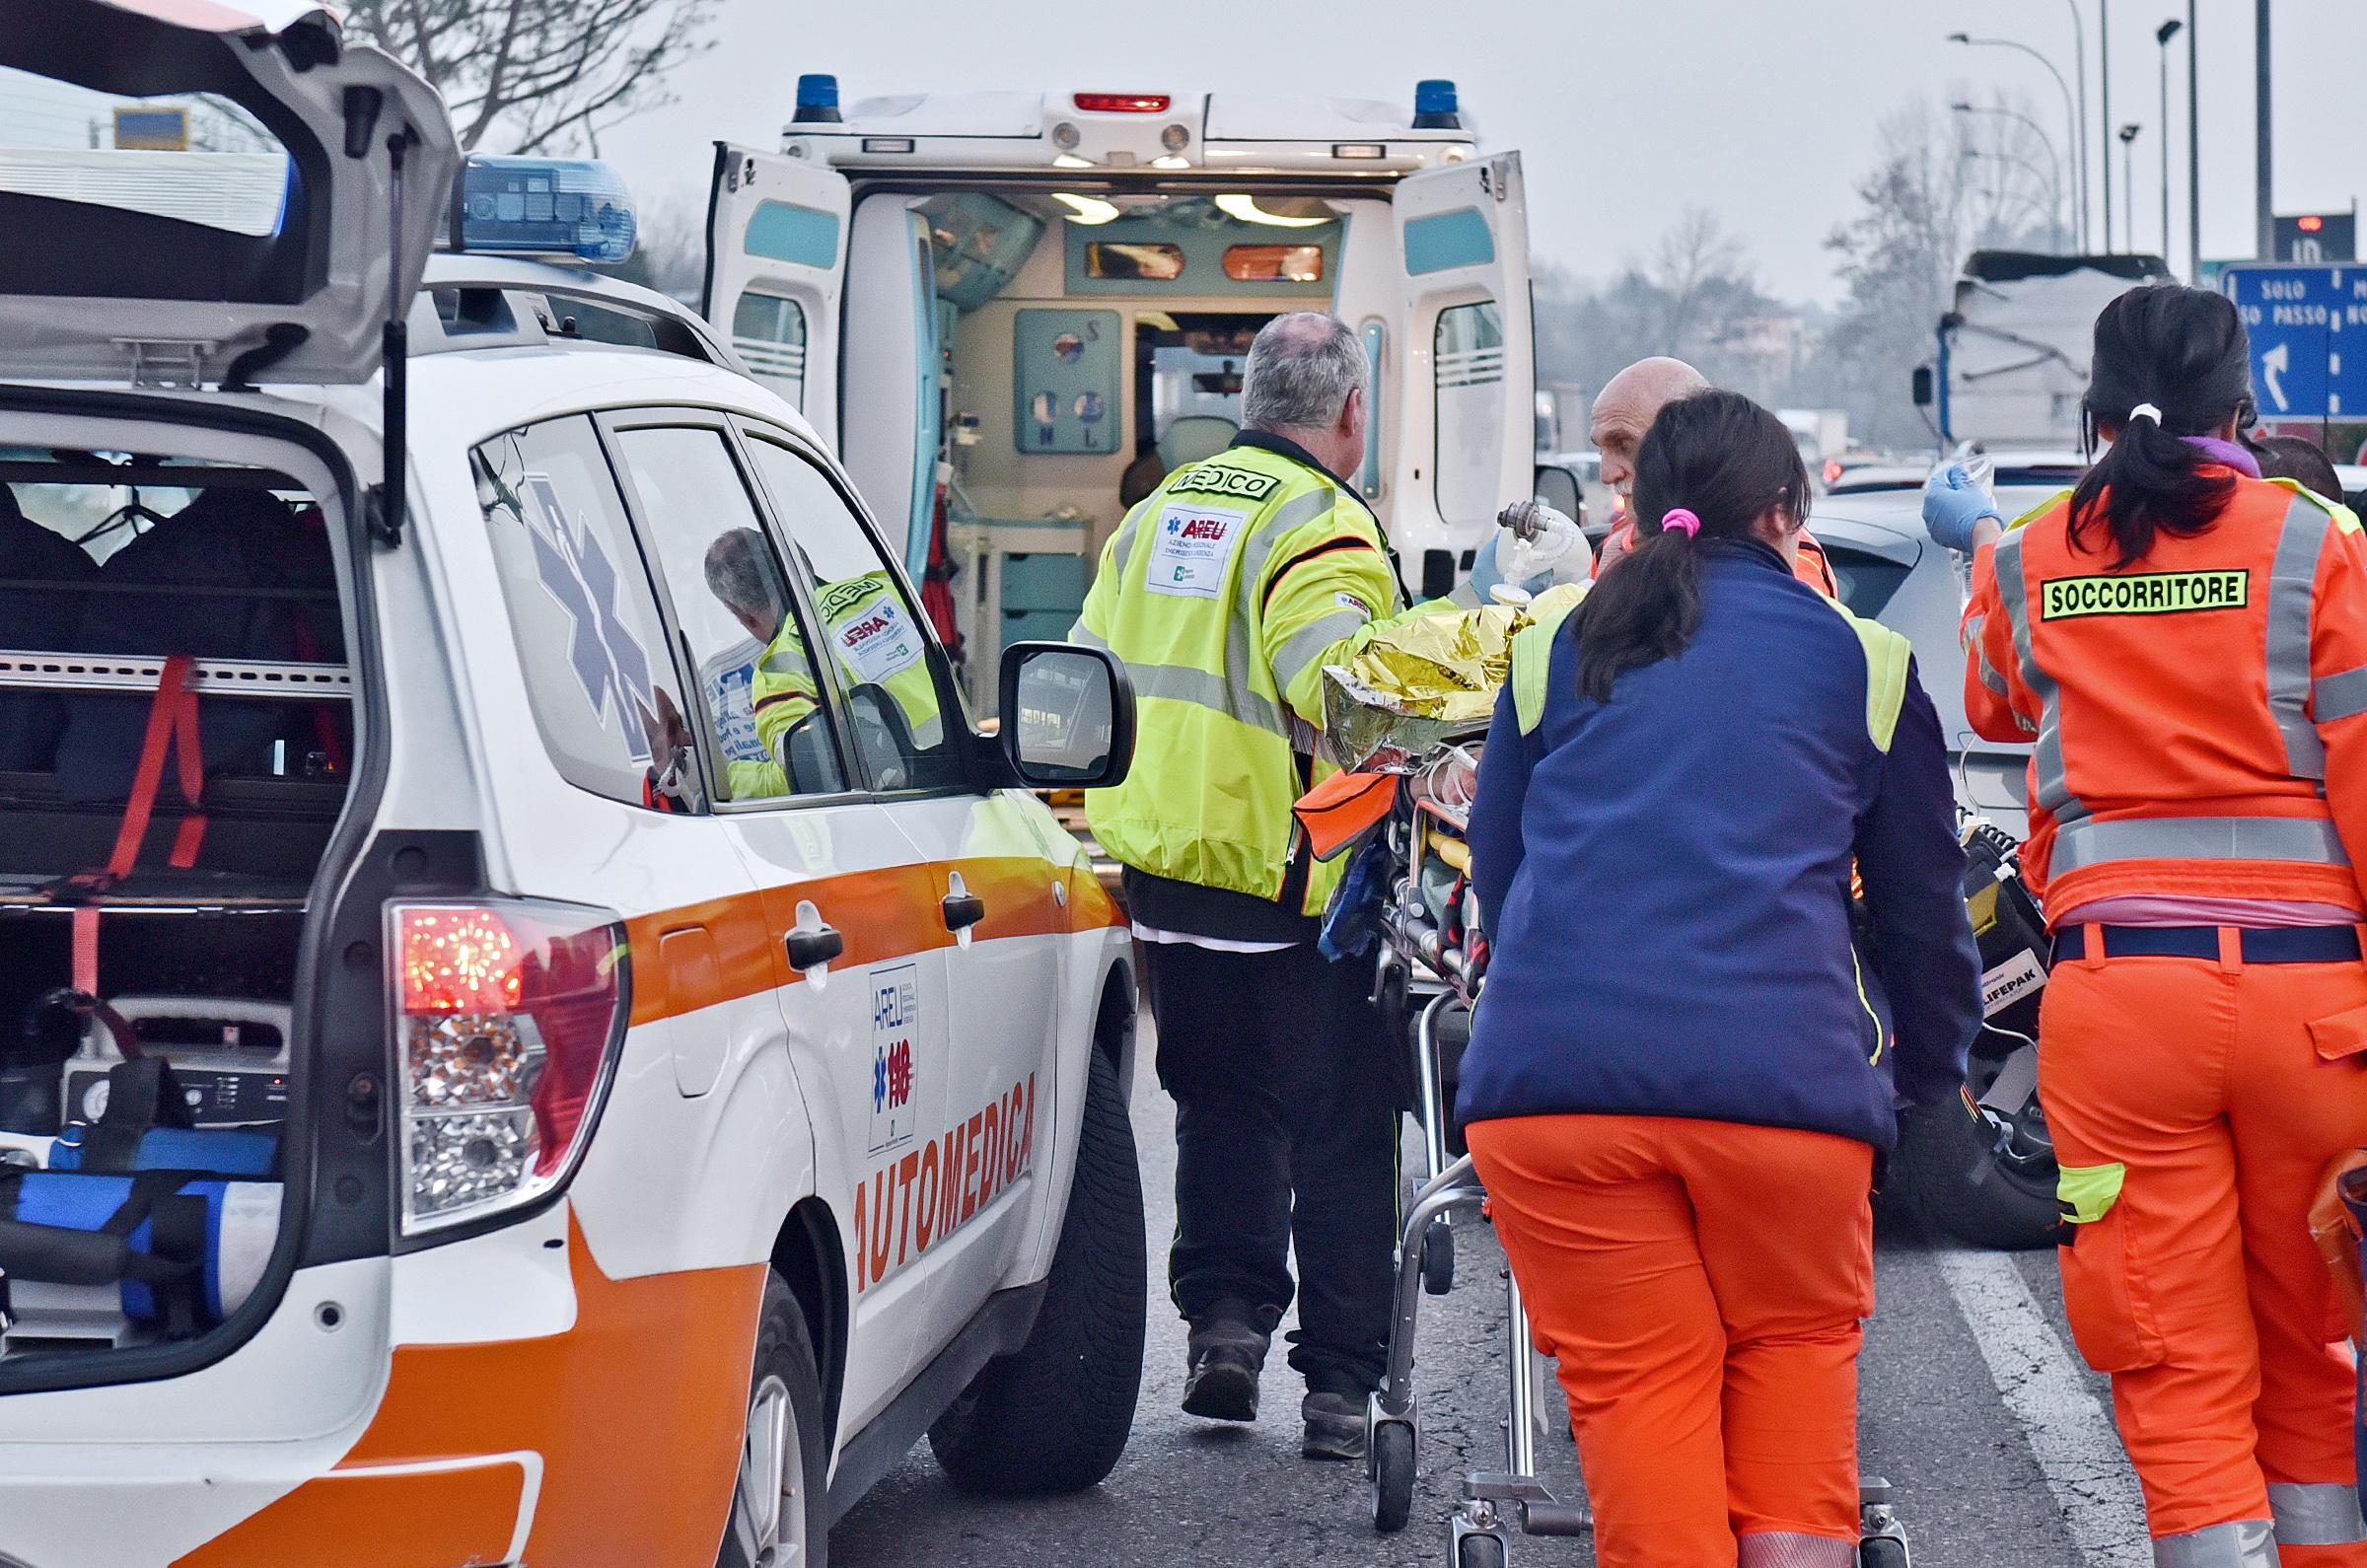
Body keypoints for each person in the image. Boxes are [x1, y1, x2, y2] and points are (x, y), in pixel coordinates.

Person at [1461, 389, 1978, 1567]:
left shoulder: (1552, 647)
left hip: (1556, 1098)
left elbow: (1502, 872)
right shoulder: (1866, 661)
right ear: (1790, 515)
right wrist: (1926, 1080)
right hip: (1783, 1098)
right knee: (1793, 1370)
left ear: (1638, 510)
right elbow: (1920, 913)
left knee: (1642, 1407)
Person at [1935, 283, 2367, 1567]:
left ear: (2095, 411)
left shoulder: (2032, 550)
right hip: (2315, 1020)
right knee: (2319, 1348)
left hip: (2124, 1018)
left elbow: (1999, 701)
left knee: (2168, 1355)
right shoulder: (2316, 544)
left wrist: (1979, 553)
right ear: (2246, 406)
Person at [1072, 311, 1439, 1460]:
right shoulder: (1320, 523)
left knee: (1218, 1107)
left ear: (1246, 401)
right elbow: (1337, 683)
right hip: (1292, 883)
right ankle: (1339, 1386)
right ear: (1348, 413)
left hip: (1169, 883)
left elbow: (1085, 677)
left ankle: (1224, 1328)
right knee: (1340, 1126)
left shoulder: (1156, 515)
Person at [1588, 356, 1839, 596]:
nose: (1606, 474)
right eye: (1601, 450)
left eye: (1624, 445)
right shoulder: (1613, 547)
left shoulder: (1785, 555)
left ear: (1692, 439)